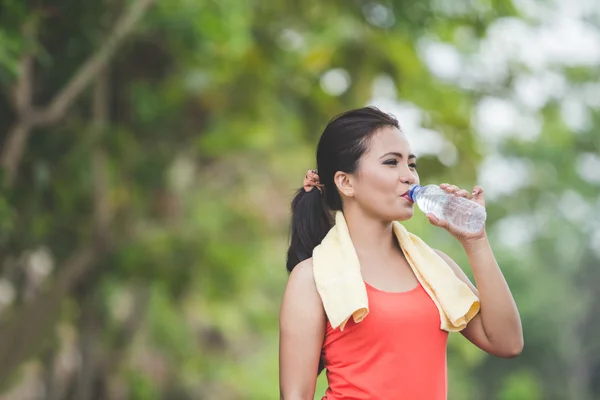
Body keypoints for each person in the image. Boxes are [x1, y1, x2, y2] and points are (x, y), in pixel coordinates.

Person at [278, 106, 523, 400]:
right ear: (346, 182)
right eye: (391, 163)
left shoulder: (434, 267)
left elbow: (507, 343)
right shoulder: (312, 278)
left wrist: (476, 241)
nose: (409, 176)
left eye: (411, 164)